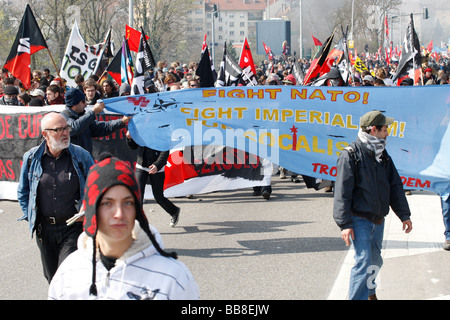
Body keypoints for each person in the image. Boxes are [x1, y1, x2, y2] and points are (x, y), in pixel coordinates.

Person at [48, 156, 199, 300]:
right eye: (108, 203)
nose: (119, 214)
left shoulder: (173, 277)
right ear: (91, 210)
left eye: (128, 202)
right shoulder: (68, 274)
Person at [333, 110, 413, 300]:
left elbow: (394, 185)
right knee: (363, 261)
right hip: (358, 218)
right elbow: (342, 192)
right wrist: (344, 225)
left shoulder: (383, 155)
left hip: (378, 219)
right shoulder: (351, 154)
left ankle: (370, 292)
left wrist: (404, 215)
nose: (388, 133)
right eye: (385, 129)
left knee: (375, 260)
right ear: (374, 130)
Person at [17, 112, 95, 283]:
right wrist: (31, 216)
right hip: (44, 230)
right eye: (58, 129)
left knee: (67, 274)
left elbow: (97, 186)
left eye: (66, 128)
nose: (65, 133)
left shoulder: (81, 156)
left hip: (73, 227)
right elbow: (23, 192)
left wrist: (86, 208)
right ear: (45, 134)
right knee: (51, 277)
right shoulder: (31, 158)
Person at [126, 131, 180, 228]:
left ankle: (174, 211)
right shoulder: (142, 128)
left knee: (158, 197)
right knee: (138, 196)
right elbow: (133, 146)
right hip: (141, 166)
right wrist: (130, 138)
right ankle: (138, 225)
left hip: (156, 168)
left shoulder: (162, 130)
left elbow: (165, 151)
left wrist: (157, 165)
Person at [60, 88, 130, 154]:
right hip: (71, 163)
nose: (85, 104)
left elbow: (103, 127)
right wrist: (93, 112)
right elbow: (74, 128)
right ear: (74, 103)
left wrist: (122, 121)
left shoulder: (83, 117)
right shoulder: (62, 117)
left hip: (85, 160)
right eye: (83, 102)